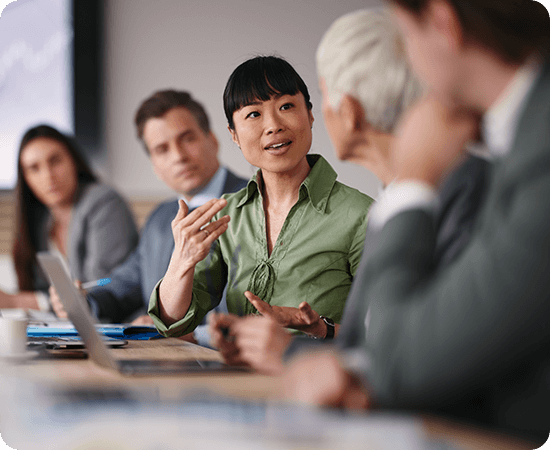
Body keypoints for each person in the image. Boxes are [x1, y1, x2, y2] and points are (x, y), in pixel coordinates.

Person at [283, 0, 550, 444]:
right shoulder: (518, 141)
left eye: (406, 36)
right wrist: (358, 373)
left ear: (444, 24)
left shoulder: (533, 156)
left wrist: (415, 180)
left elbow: (404, 358)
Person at [209, 8, 491, 375]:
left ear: (349, 112)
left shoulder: (443, 193)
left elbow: (428, 354)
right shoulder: (395, 199)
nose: (275, 125)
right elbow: (372, 339)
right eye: (254, 114)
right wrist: (319, 332)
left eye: (315, 99)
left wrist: (291, 354)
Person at [148, 56, 373, 342]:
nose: (274, 125)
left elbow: (390, 333)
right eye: (254, 114)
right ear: (233, 135)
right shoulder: (225, 214)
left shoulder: (360, 214)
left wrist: (322, 329)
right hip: (238, 382)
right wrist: (180, 261)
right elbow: (173, 323)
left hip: (317, 381)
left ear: (310, 114)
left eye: (287, 106)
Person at [52, 90, 248, 345]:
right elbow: (123, 283)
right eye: (162, 149)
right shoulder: (159, 218)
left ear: (212, 139)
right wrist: (84, 301)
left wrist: (166, 328)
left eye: (187, 139)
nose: (179, 156)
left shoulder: (254, 201)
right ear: (155, 165)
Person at [0, 125, 138, 311]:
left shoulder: (105, 202)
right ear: (25, 179)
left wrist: (18, 302)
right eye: (34, 168)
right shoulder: (43, 221)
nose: (48, 176)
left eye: (55, 161)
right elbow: (43, 288)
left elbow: (102, 289)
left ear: (73, 160)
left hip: (117, 326)